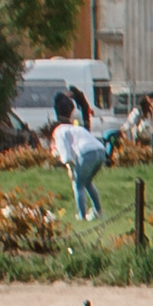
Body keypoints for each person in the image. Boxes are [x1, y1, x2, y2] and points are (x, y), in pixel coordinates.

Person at [50, 89, 109, 223]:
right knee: (87, 182)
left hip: (86, 153)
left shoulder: (59, 131)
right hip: (100, 151)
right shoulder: (76, 128)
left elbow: (66, 154)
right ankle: (98, 211)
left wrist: (70, 168)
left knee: (78, 185)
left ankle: (82, 216)